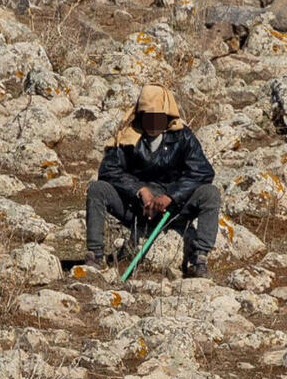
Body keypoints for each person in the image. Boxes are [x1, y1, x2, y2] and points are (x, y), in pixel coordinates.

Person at [85, 83, 220, 278]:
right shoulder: (127, 137)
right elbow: (108, 170)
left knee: (210, 193)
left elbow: (203, 171)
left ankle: (199, 259)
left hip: (175, 209)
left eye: (158, 117)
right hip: (137, 208)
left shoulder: (182, 136)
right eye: (148, 117)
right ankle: (95, 256)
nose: (153, 123)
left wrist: (171, 196)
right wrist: (139, 189)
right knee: (97, 189)